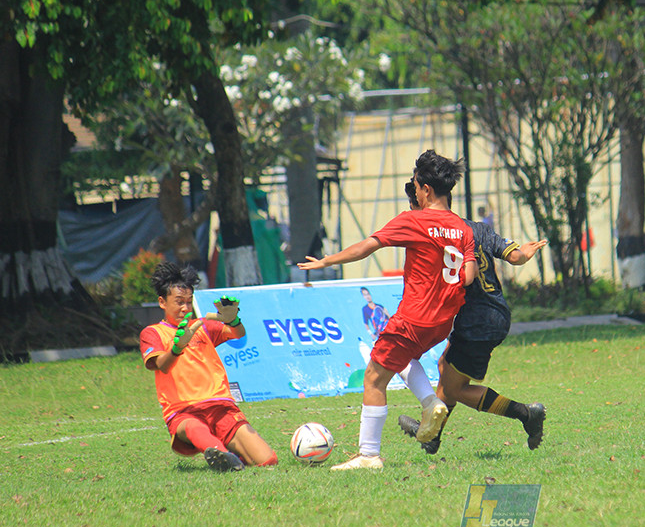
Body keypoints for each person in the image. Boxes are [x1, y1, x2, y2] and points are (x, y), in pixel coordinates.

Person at [297, 150, 477, 470]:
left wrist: (327, 261)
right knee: (404, 359)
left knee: (374, 378)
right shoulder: (463, 229)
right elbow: (468, 276)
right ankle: (430, 402)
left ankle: (368, 455)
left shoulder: (414, 220)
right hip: (442, 320)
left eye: (417, 187)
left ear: (426, 190)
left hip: (414, 317)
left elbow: (367, 247)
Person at [398, 189, 548, 454]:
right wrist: (524, 253)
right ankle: (433, 436)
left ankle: (526, 414)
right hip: (495, 312)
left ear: (422, 205)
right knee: (446, 366)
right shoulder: (476, 228)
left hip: (477, 322)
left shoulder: (436, 236)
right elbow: (515, 256)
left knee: (455, 389)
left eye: (413, 209)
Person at [139, 262, 277, 471]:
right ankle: (222, 454)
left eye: (188, 301)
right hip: (184, 412)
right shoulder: (152, 333)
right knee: (194, 427)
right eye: (179, 302)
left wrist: (233, 320)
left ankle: (230, 455)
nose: (185, 308)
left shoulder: (202, 325)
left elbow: (238, 335)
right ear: (162, 302)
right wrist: (177, 348)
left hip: (221, 407)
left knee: (268, 461)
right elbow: (160, 365)